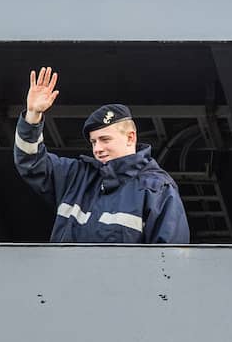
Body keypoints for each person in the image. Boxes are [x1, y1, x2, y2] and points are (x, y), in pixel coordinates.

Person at [14, 66, 190, 244]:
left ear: (130, 137)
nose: (97, 148)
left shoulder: (157, 189)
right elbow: (31, 163)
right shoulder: (76, 176)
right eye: (93, 142)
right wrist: (33, 115)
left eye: (105, 139)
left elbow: (169, 257)